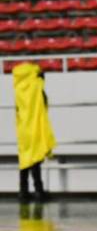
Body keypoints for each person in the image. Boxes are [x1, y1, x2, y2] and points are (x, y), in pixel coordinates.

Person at [14, 63, 55, 204]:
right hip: (34, 127)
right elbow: (44, 103)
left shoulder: (19, 88)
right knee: (35, 159)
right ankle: (39, 191)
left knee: (24, 160)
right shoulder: (37, 89)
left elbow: (17, 109)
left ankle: (23, 191)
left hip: (23, 129)